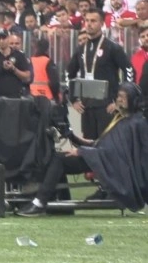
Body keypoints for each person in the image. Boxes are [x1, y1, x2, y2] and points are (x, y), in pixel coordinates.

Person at [16, 82, 147, 216]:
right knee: (56, 157)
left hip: (110, 165)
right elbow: (106, 146)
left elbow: (115, 153)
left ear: (133, 100)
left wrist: (81, 151)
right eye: (119, 96)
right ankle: (56, 203)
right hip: (101, 158)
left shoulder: (134, 124)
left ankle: (40, 202)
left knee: (60, 159)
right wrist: (79, 141)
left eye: (123, 97)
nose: (119, 100)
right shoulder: (122, 119)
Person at [68, 9, 133, 140]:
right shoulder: (81, 49)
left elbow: (129, 70)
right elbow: (70, 73)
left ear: (102, 23)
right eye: (87, 20)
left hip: (108, 106)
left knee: (108, 143)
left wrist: (121, 100)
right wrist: (73, 99)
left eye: (93, 21)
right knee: (89, 144)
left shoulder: (112, 47)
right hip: (86, 107)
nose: (89, 24)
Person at [0, 28, 32, 98]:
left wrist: (13, 69)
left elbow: (27, 77)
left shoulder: (19, 55)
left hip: (15, 98)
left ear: (8, 38)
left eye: (4, 38)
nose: (1, 41)